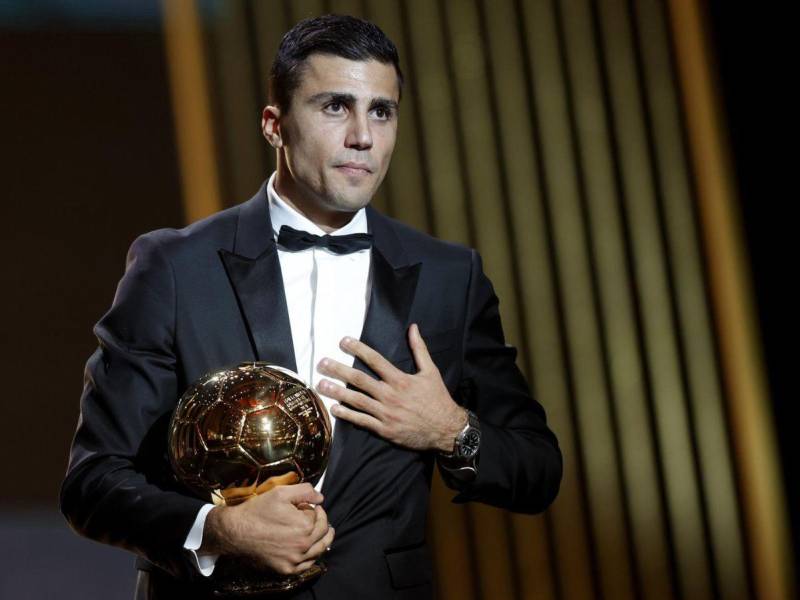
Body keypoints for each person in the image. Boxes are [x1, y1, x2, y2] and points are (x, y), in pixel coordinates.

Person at [60, 14, 562, 600]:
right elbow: (93, 482)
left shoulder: (450, 278)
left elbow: (537, 471)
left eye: (381, 111)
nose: (363, 137)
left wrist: (452, 431)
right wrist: (216, 529)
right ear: (274, 125)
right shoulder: (174, 268)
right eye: (334, 107)